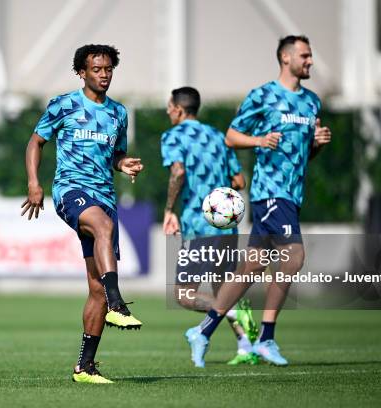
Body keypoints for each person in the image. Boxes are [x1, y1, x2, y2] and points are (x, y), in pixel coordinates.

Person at [192, 35, 332, 366]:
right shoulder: (264, 95)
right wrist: (259, 140)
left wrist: (318, 144)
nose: (310, 61)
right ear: (286, 58)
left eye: (310, 55)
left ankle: (204, 329)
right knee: (294, 257)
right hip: (270, 192)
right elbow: (231, 136)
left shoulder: (311, 102)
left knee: (250, 267)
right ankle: (266, 338)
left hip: (292, 194)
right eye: (305, 55)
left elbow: (303, 155)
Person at [21, 44, 144, 384]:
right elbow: (35, 142)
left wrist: (124, 163)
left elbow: (115, 155)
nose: (103, 74)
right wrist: (34, 183)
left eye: (108, 69)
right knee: (102, 228)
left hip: (105, 195)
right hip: (71, 191)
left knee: (94, 289)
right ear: (82, 72)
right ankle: (118, 303)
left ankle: (85, 368)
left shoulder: (119, 113)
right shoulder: (64, 105)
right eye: (96, 69)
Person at [161, 87, 258, 368]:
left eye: (169, 106)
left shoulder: (173, 136)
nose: (168, 111)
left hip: (198, 225)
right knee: (221, 288)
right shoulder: (217, 137)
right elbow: (239, 182)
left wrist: (169, 210)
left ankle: (232, 312)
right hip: (225, 227)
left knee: (184, 294)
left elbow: (178, 171)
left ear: (178, 109)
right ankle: (246, 346)